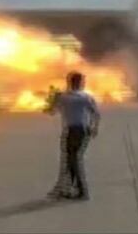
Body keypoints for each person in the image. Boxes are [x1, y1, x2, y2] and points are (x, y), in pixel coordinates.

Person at [47, 71, 100, 201]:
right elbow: (96, 114)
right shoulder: (86, 97)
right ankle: (68, 188)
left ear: (69, 82)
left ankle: (81, 191)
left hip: (72, 130)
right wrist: (94, 128)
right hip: (83, 130)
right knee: (72, 158)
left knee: (73, 159)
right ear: (80, 83)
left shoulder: (63, 97)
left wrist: (54, 99)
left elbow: (51, 111)